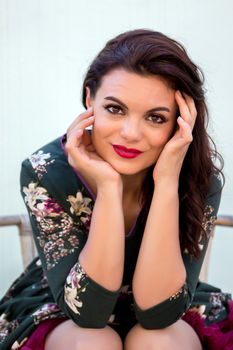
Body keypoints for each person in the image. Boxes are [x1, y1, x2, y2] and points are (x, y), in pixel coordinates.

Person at [0, 29, 232, 350]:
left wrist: (166, 183)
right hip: (65, 305)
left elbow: (159, 313)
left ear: (181, 122)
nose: (130, 133)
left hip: (165, 299)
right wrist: (109, 188)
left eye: (155, 117)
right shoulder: (45, 171)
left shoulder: (198, 179)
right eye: (115, 109)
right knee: (91, 342)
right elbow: (89, 312)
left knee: (161, 341)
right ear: (88, 99)